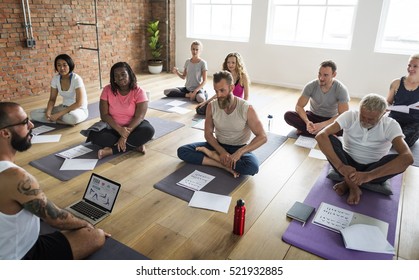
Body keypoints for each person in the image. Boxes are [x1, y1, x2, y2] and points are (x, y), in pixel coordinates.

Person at [0, 102, 109, 260]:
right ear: (5, 133)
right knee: (96, 236)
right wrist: (87, 225)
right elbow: (57, 220)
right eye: (24, 122)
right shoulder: (16, 177)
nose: (31, 125)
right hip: (19, 255)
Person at [315, 93, 413, 205]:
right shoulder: (350, 115)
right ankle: (353, 185)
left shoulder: (390, 124)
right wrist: (341, 167)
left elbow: (408, 158)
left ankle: (348, 183)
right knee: (328, 139)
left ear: (383, 114)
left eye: (371, 119)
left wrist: (368, 176)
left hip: (373, 168)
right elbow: (321, 135)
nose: (365, 121)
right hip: (346, 162)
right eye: (362, 116)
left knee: (400, 159)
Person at [177, 70, 267, 178]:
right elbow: (208, 134)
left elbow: (262, 137)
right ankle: (221, 163)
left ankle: (214, 157)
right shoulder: (211, 106)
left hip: (239, 148)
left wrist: (240, 153)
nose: (218, 95)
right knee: (183, 151)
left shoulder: (246, 108)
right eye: (216, 91)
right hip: (217, 146)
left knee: (252, 167)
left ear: (232, 88)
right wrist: (221, 152)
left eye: (222, 90)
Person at [85, 62, 155, 159]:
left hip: (133, 128)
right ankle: (134, 145)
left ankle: (111, 151)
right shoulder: (107, 90)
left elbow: (139, 117)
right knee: (94, 135)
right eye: (116, 76)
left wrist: (124, 136)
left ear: (129, 74)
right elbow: (104, 115)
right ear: (113, 78)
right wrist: (119, 130)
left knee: (148, 130)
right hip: (113, 127)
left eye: (123, 74)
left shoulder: (139, 92)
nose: (120, 78)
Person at [284, 60, 350, 136]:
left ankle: (308, 131)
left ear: (334, 74)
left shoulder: (341, 89)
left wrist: (322, 125)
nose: (321, 78)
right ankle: (325, 134)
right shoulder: (311, 86)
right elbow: (299, 106)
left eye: (325, 75)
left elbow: (343, 114)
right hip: (312, 117)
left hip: (330, 119)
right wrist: (307, 122)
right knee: (288, 115)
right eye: (319, 74)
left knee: (347, 127)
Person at [30, 54, 88, 125]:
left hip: (78, 109)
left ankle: (58, 119)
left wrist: (58, 115)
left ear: (70, 65)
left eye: (64, 65)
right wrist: (48, 112)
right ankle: (59, 121)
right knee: (33, 114)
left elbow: (79, 103)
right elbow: (52, 99)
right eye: (59, 65)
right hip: (63, 108)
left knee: (73, 118)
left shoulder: (76, 79)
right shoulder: (55, 79)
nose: (62, 68)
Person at [386, 53, 419, 147]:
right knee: (384, 135)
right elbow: (388, 101)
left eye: (415, 66)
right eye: (409, 65)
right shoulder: (396, 83)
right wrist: (386, 107)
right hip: (395, 118)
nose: (411, 68)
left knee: (405, 141)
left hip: (414, 121)